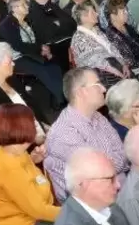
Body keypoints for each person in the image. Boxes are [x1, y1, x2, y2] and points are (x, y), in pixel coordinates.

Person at [45, 68, 129, 203]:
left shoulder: (98, 117)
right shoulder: (65, 132)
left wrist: (116, 162)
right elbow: (101, 173)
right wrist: (117, 162)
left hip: (119, 189)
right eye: (97, 84)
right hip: (92, 206)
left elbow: (122, 153)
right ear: (81, 92)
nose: (103, 88)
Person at [0, 104, 60, 225]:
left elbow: (22, 178)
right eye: (32, 123)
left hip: (30, 217)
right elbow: (38, 210)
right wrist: (76, 213)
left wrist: (33, 159)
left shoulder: (11, 149)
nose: (36, 125)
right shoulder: (9, 168)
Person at [0, 42, 49, 148]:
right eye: (10, 61)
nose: (13, 63)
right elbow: (1, 135)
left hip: (39, 132)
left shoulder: (12, 80)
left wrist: (43, 125)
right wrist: (33, 139)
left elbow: (31, 105)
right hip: (22, 146)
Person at [0, 0, 65, 105]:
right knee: (41, 68)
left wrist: (43, 47)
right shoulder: (7, 24)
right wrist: (39, 49)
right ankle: (61, 99)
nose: (27, 6)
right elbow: (18, 46)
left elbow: (35, 39)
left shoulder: (26, 20)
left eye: (26, 4)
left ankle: (59, 96)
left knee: (55, 65)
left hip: (29, 53)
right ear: (14, 9)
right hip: (14, 59)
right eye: (23, 5)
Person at [71, 2, 130, 88]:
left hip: (115, 65)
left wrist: (124, 65)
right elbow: (100, 64)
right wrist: (120, 75)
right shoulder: (79, 39)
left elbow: (112, 48)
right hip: (101, 75)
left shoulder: (96, 30)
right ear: (84, 17)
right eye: (93, 12)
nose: (97, 14)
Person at [28, 0, 77, 72]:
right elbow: (47, 36)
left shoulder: (50, 4)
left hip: (65, 43)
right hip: (51, 50)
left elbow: (72, 23)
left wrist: (59, 24)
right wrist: (60, 25)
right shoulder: (32, 11)